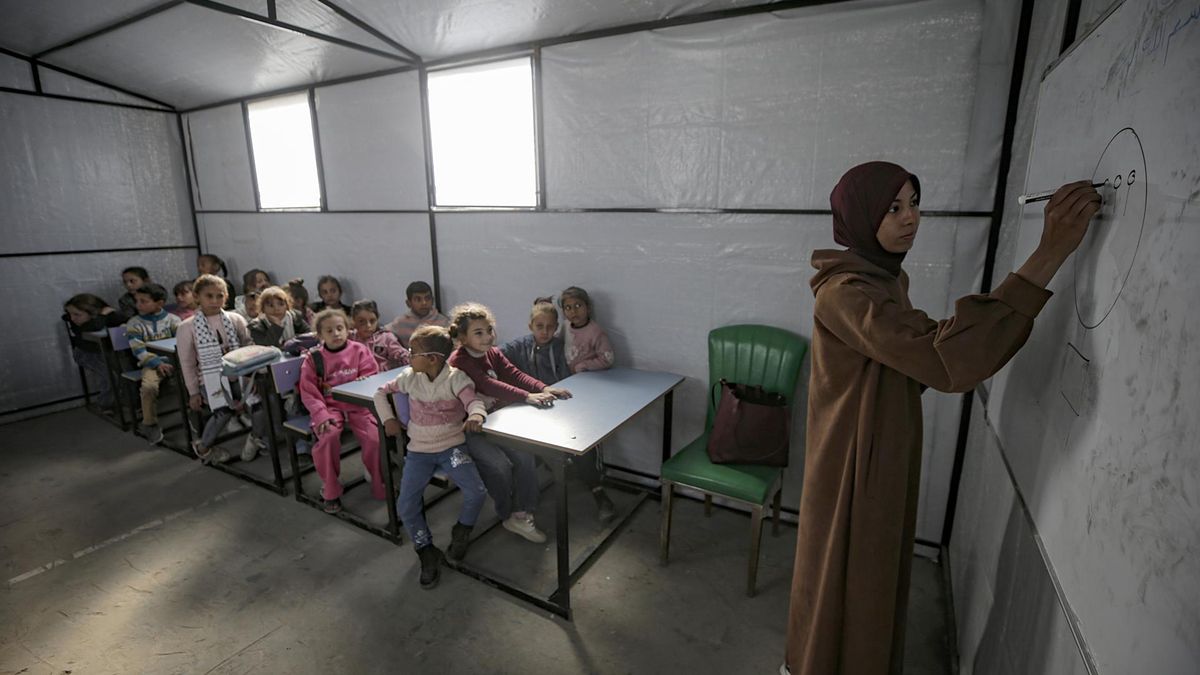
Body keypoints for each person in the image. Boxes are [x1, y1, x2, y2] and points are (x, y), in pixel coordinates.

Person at [784, 162, 1100, 675]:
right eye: (893, 207)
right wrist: (1049, 254)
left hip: (878, 450)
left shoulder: (885, 278)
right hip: (851, 466)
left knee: (868, 580)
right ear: (862, 216)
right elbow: (943, 359)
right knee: (845, 581)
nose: (911, 218)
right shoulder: (847, 292)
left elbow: (919, 355)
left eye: (914, 203)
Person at [373, 325, 490, 589]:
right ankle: (425, 549)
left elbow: (474, 402)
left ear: (433, 359)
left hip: (453, 449)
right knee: (406, 504)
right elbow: (380, 392)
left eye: (413, 352)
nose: (407, 355)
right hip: (418, 453)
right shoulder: (408, 377)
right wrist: (388, 419)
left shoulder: (456, 379)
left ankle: (462, 530)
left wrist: (475, 415)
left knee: (476, 491)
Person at [447, 302, 570, 543]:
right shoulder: (460, 360)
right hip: (471, 426)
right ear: (462, 337)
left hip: (497, 419)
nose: (487, 337)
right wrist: (527, 396)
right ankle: (506, 511)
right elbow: (486, 384)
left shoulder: (491, 352)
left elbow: (513, 373)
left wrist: (544, 388)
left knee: (525, 456)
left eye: (489, 330)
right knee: (499, 466)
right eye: (478, 333)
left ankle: (522, 511)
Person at [502, 297, 616, 522]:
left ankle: (598, 491)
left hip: (563, 408)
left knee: (585, 445)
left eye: (550, 327)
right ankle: (523, 502)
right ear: (530, 326)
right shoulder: (520, 346)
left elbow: (579, 369)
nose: (544, 332)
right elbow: (495, 355)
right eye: (539, 326)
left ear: (557, 327)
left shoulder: (561, 347)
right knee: (521, 453)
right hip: (531, 410)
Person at [298, 309, 387, 513]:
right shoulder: (314, 359)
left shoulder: (360, 350)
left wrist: (366, 381)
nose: (336, 333)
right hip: (329, 408)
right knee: (328, 438)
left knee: (375, 439)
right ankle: (331, 489)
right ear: (320, 336)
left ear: (348, 330)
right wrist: (321, 415)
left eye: (340, 328)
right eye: (329, 331)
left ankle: (378, 482)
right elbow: (309, 392)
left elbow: (371, 375)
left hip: (358, 407)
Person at [178, 274, 268, 464]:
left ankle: (255, 439)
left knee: (258, 405)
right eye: (208, 296)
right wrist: (194, 392)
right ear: (197, 297)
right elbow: (187, 363)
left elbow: (249, 346)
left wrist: (254, 376)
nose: (214, 301)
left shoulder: (235, 319)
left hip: (241, 375)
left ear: (226, 297)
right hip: (210, 380)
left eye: (219, 296)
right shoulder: (187, 327)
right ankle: (203, 447)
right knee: (223, 411)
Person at [125, 283, 182, 444]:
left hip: (175, 361)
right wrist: (157, 363)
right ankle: (149, 423)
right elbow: (138, 350)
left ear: (160, 303)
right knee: (149, 387)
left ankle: (193, 414)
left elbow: (182, 343)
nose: (139, 305)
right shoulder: (134, 324)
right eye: (137, 301)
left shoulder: (173, 320)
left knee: (191, 381)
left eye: (144, 301)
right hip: (151, 364)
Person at [62, 293, 125, 410]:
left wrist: (112, 313)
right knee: (110, 378)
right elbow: (92, 327)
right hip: (86, 354)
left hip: (107, 352)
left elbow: (124, 319)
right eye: (70, 314)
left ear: (93, 312)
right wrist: (102, 315)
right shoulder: (77, 324)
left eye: (76, 314)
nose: (72, 318)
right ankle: (105, 405)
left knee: (123, 373)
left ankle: (123, 401)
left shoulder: (101, 316)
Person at [559, 286, 614, 373]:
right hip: (567, 376)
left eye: (578, 305)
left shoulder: (596, 332)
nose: (573, 311)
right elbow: (558, 343)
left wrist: (584, 366)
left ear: (588, 308)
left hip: (586, 378)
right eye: (568, 308)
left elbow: (607, 359)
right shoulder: (565, 326)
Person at [385, 281, 450, 348]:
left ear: (432, 300)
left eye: (427, 298)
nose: (424, 303)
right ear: (408, 303)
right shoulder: (400, 323)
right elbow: (381, 333)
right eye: (418, 299)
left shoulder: (444, 322)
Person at [350, 300, 409, 371]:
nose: (368, 325)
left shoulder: (386, 337)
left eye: (372, 321)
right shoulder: (349, 339)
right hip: (358, 379)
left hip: (383, 377)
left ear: (377, 319)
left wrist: (408, 358)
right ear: (353, 321)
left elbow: (400, 353)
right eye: (362, 321)